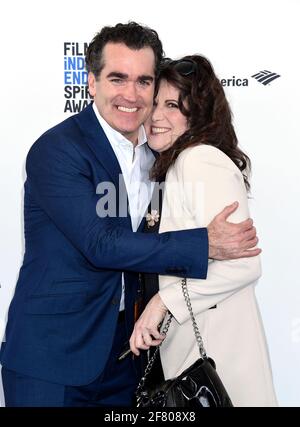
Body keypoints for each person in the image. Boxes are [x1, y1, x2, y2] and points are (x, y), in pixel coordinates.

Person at [0, 23, 259, 407]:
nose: (131, 94)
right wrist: (206, 243)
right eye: (117, 78)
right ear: (91, 82)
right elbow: (100, 244)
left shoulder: (159, 157)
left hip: (129, 360)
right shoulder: (57, 149)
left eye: (144, 81)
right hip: (53, 359)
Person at [130, 55, 277, 407]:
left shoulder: (199, 160)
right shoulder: (176, 164)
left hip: (219, 356)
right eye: (154, 104)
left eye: (173, 106)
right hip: (199, 353)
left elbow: (244, 264)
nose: (156, 117)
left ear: (198, 114)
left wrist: (163, 302)